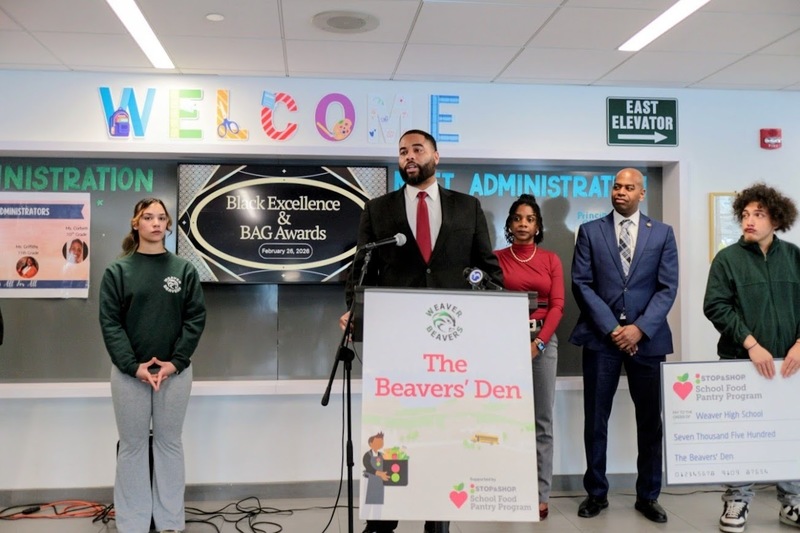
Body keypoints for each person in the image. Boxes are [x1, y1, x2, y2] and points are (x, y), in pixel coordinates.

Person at [341, 129, 502, 533]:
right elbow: (361, 271)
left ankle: (437, 517)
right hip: (396, 345)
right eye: (402, 152)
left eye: (417, 149)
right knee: (391, 430)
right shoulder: (378, 209)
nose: (408, 157)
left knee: (443, 431)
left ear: (436, 156)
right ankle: (383, 518)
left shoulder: (467, 207)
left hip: (451, 348)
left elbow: (489, 272)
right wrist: (354, 310)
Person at [569, 167, 678, 524]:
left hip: (648, 341)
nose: (621, 192)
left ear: (641, 194)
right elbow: (581, 284)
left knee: (650, 421)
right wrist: (614, 329)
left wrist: (639, 329)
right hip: (601, 339)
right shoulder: (590, 231)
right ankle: (596, 493)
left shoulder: (662, 233)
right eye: (617, 186)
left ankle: (648, 495)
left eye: (629, 187)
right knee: (595, 419)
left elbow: (667, 288)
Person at [99, 198, 206, 533]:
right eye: (148, 217)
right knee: (132, 448)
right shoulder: (118, 272)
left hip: (175, 375)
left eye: (161, 217)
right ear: (136, 223)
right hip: (130, 375)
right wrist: (134, 367)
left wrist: (175, 363)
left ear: (168, 225)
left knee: (168, 444)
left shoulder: (184, 270)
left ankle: (170, 521)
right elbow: (110, 323)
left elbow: (195, 319)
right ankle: (132, 522)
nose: (156, 223)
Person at [703, 182, 800, 533]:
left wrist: (799, 344)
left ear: (776, 218)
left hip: (789, 365)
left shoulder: (794, 257)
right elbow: (715, 306)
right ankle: (737, 500)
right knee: (740, 434)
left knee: (789, 432)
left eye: (758, 214)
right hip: (740, 363)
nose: (749, 220)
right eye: (745, 214)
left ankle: (793, 502)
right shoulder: (727, 259)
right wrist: (751, 344)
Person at [493, 194, 564, 520]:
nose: (523, 224)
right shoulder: (495, 259)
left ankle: (539, 495)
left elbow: (557, 306)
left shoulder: (550, 260)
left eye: (530, 219)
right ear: (509, 224)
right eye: (518, 218)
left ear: (538, 226)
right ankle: (505, 489)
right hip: (504, 344)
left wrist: (539, 344)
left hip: (543, 344)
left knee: (541, 422)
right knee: (504, 419)